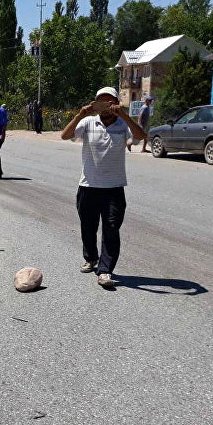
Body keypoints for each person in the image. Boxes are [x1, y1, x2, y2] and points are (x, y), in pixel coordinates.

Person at [60, 86, 146, 289]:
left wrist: (125, 116)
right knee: (87, 227)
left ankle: (105, 270)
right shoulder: (88, 121)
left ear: (116, 103)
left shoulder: (123, 124)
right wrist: (81, 113)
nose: (105, 106)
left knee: (111, 229)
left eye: (109, 102)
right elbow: (65, 135)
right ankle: (91, 258)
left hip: (114, 188)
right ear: (95, 103)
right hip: (88, 185)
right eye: (101, 102)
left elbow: (141, 136)